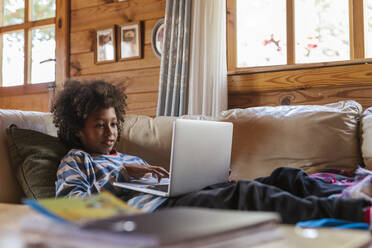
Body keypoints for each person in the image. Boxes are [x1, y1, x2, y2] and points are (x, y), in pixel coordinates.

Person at [53, 79, 371, 224]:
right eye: (99, 125)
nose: (110, 133)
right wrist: (122, 176)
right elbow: (71, 207)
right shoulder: (76, 159)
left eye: (113, 124)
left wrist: (197, 176)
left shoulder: (129, 157)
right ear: (77, 128)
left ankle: (353, 194)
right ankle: (353, 212)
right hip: (155, 213)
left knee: (282, 176)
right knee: (247, 195)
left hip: (177, 196)